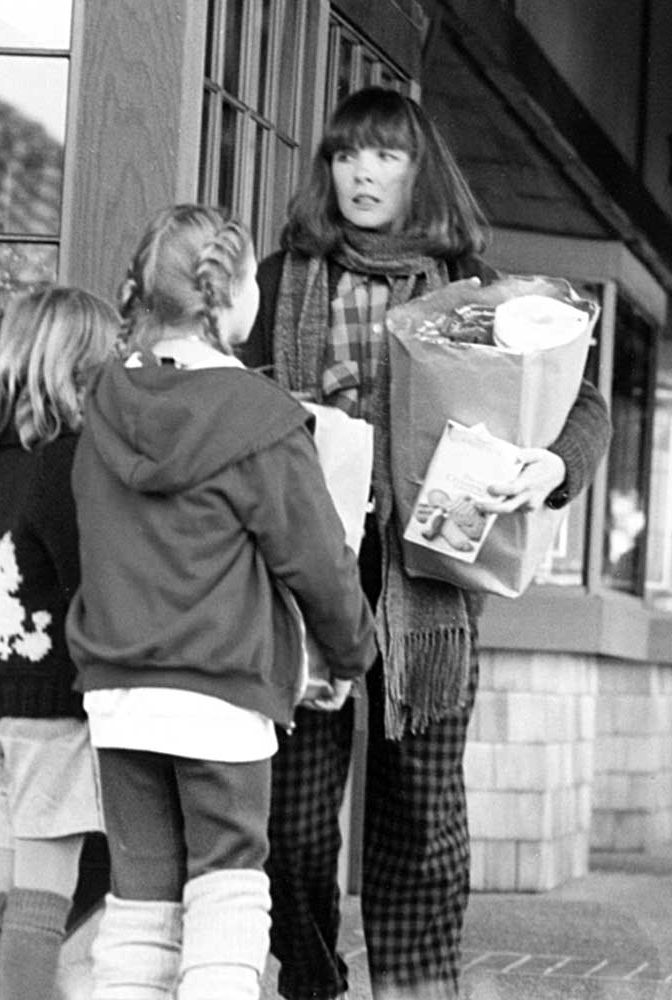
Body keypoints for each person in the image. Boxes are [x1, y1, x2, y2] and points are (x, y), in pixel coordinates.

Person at [241, 87, 611, 1000]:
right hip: (306, 568)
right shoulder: (284, 278)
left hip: (430, 579)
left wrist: (551, 466)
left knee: (420, 809)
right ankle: (310, 981)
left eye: (386, 155)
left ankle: (416, 990)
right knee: (293, 823)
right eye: (346, 155)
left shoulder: (472, 289)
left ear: (421, 171)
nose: (362, 174)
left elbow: (581, 401)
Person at [67, 204, 377, 1000]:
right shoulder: (261, 419)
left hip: (118, 690)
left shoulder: (104, 401)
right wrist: (351, 652)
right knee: (228, 892)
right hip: (222, 689)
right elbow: (318, 561)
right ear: (231, 294)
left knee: (139, 900)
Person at [0, 287, 118, 998]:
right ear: (81, 365)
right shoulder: (67, 462)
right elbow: (90, 586)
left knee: (2, 872)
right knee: (46, 893)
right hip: (46, 701)